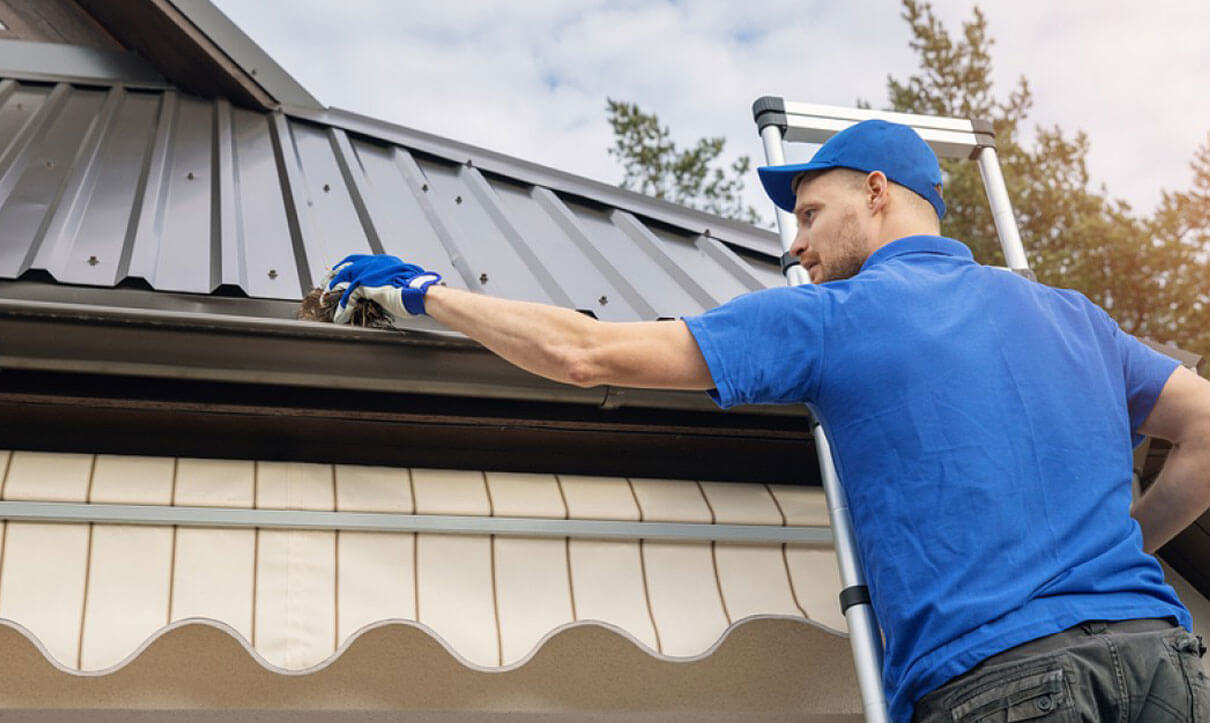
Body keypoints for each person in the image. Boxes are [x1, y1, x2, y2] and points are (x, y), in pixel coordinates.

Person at [323, 119, 1210, 722]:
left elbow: (583, 353)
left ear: (876, 192)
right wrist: (1118, 548)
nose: (795, 244)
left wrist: (423, 293)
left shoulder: (835, 316)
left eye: (811, 215)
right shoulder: (1075, 317)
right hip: (1165, 663)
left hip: (1003, 680)